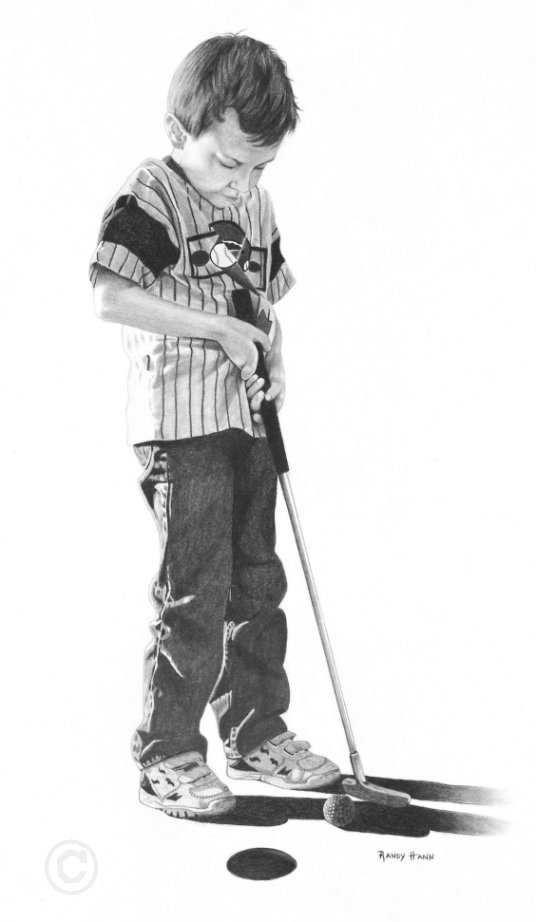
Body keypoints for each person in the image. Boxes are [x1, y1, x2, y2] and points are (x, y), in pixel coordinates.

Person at [90, 33, 340, 820]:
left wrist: (275, 358)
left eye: (260, 167)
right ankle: (167, 756)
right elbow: (108, 295)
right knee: (196, 591)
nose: (243, 183)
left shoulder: (256, 205)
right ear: (180, 130)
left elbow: (263, 305)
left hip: (248, 419)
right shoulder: (154, 192)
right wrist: (218, 332)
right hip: (180, 423)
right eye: (230, 163)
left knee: (258, 583)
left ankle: (255, 733)